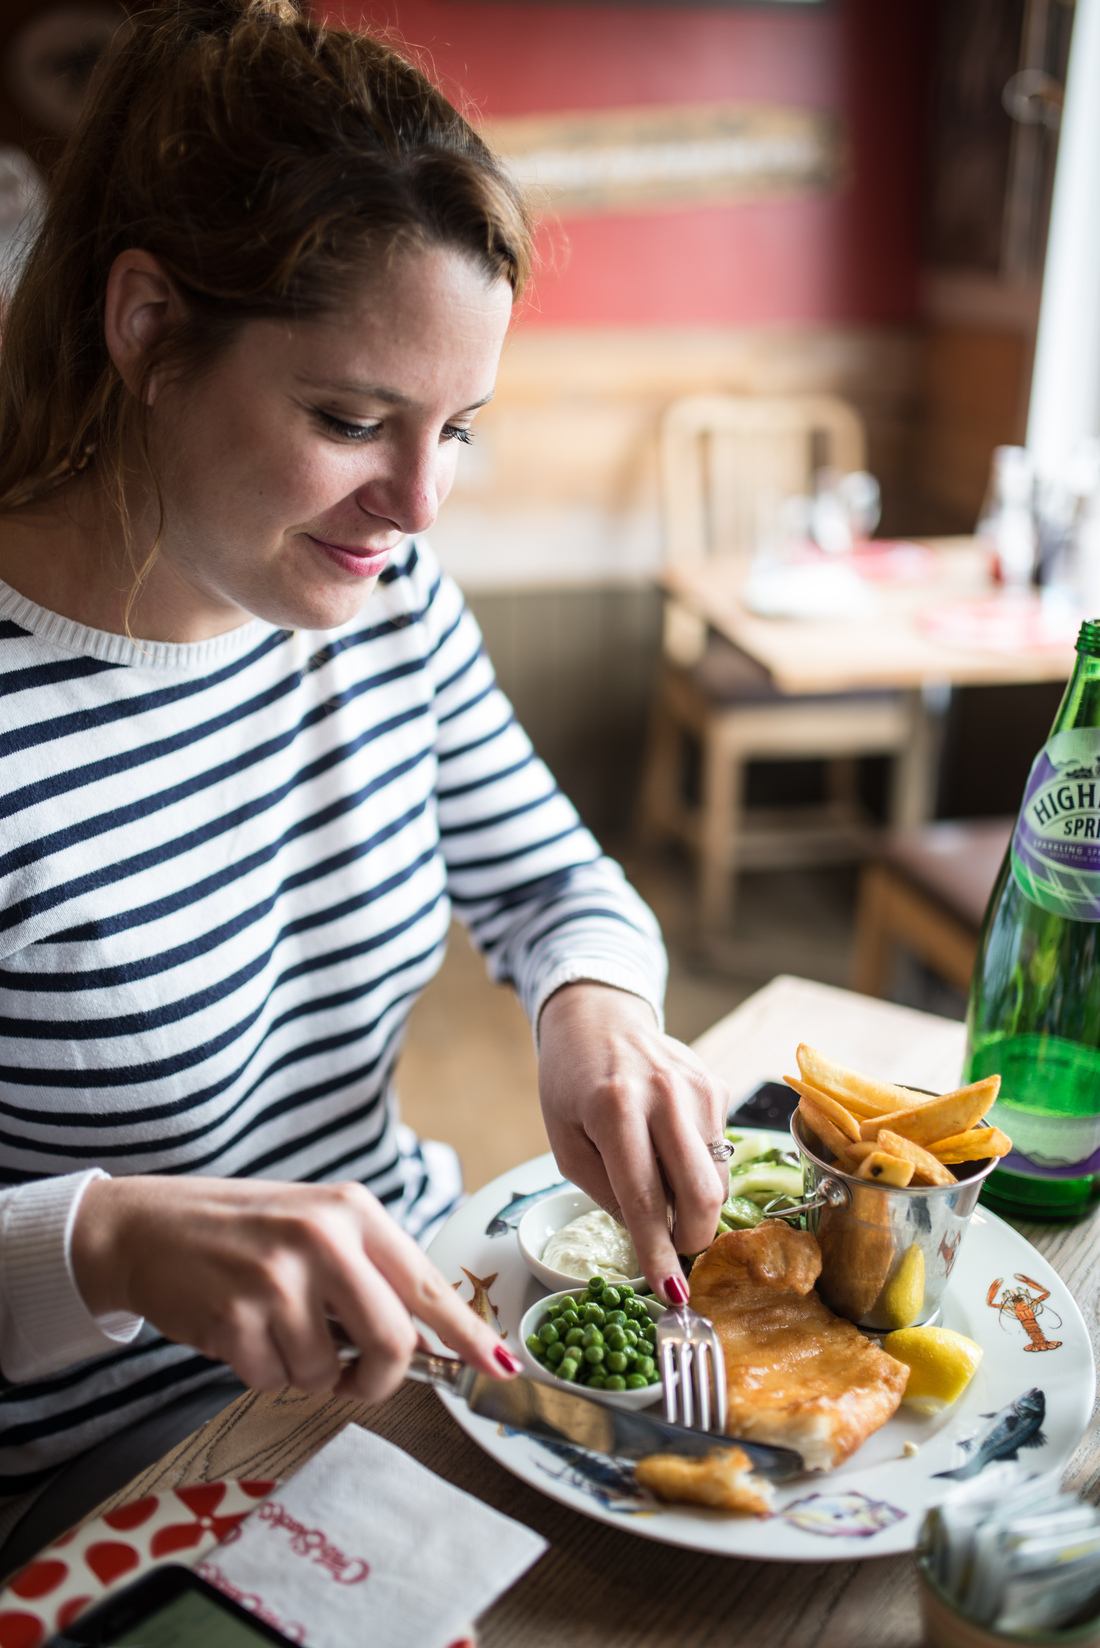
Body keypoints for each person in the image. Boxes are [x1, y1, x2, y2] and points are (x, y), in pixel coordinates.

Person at [0, 0, 729, 1568]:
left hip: (423, 1332)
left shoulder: (383, 600)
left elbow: (551, 885)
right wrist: (109, 1238)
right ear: (144, 326)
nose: (416, 504)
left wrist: (595, 1015)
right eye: (350, 420)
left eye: (456, 431)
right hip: (125, 1452)